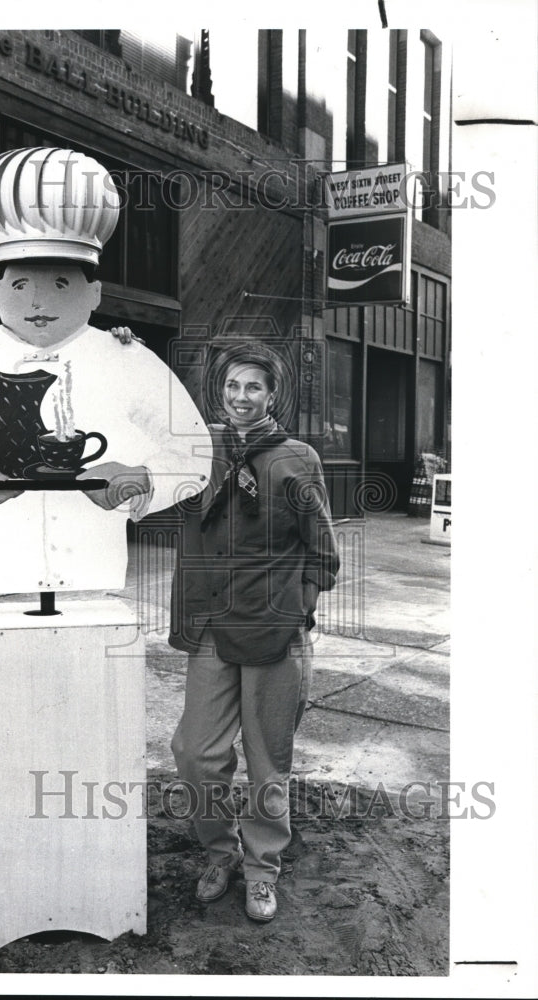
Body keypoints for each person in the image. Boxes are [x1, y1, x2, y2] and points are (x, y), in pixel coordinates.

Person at [0, 148, 211, 595]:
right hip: (0, 573)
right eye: (19, 285)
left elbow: (194, 452)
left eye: (60, 284)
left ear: (94, 294)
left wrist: (143, 478)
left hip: (95, 578)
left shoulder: (128, 358)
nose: (38, 302)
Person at [168, 345, 339, 922]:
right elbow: (133, 426)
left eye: (254, 387)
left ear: (273, 395)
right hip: (212, 624)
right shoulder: (194, 449)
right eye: (233, 386)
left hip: (274, 629)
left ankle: (262, 868)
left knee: (269, 760)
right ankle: (220, 852)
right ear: (220, 391)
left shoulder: (297, 458)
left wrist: (299, 612)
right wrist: (126, 352)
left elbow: (322, 549)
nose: (242, 397)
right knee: (195, 751)